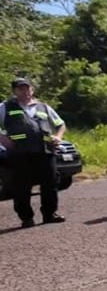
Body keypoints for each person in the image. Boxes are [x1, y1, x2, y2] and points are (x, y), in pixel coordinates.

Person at [0, 77, 67, 228]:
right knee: (21, 187)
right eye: (20, 89)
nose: (25, 92)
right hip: (20, 153)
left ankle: (50, 214)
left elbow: (60, 124)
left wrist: (58, 136)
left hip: (45, 151)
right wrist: (3, 139)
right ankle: (26, 218)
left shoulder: (43, 107)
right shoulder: (5, 107)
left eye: (27, 88)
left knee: (50, 184)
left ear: (32, 89)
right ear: (15, 91)